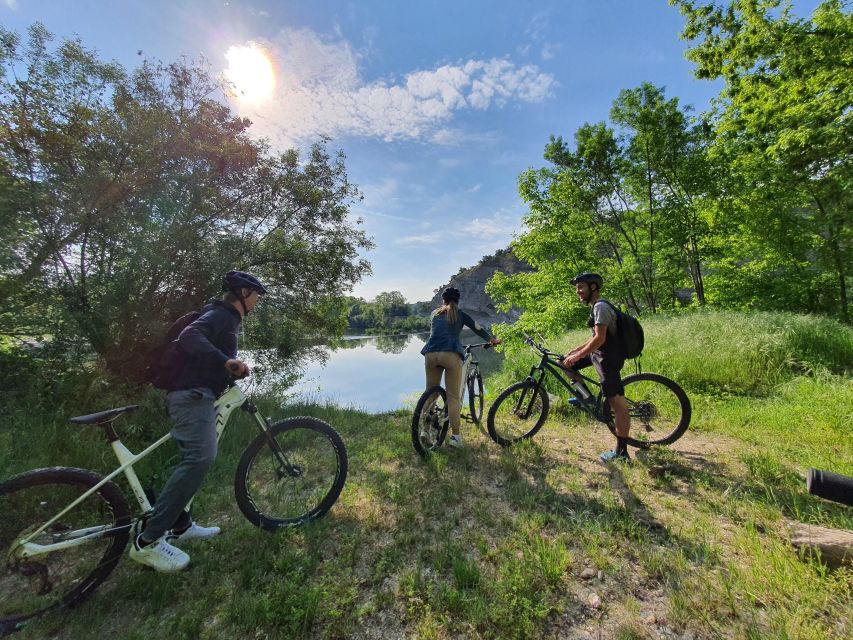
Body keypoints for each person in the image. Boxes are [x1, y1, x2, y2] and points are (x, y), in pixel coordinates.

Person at [129, 270, 266, 572]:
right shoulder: (222, 314)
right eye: (256, 295)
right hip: (191, 397)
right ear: (243, 293)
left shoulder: (222, 316)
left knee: (196, 457)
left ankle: (181, 524)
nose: (258, 302)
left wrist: (227, 371)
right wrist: (226, 362)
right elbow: (190, 336)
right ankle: (149, 540)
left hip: (198, 394)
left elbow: (202, 354)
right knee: (200, 458)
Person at [561, 272, 631, 463]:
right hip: (599, 354)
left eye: (581, 287)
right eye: (576, 288)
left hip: (608, 359)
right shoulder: (595, 308)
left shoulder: (600, 307)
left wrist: (579, 354)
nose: (578, 291)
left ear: (593, 287)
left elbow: (600, 339)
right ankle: (587, 397)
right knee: (565, 363)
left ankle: (622, 452)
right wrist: (575, 352)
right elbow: (595, 337)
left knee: (617, 405)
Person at [420, 287, 500, 448]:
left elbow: (437, 333)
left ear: (443, 300)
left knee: (431, 393)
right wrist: (491, 340)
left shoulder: (434, 314)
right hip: (450, 354)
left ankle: (424, 430)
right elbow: (477, 328)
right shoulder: (461, 315)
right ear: (458, 301)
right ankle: (456, 437)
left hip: (430, 354)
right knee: (453, 397)